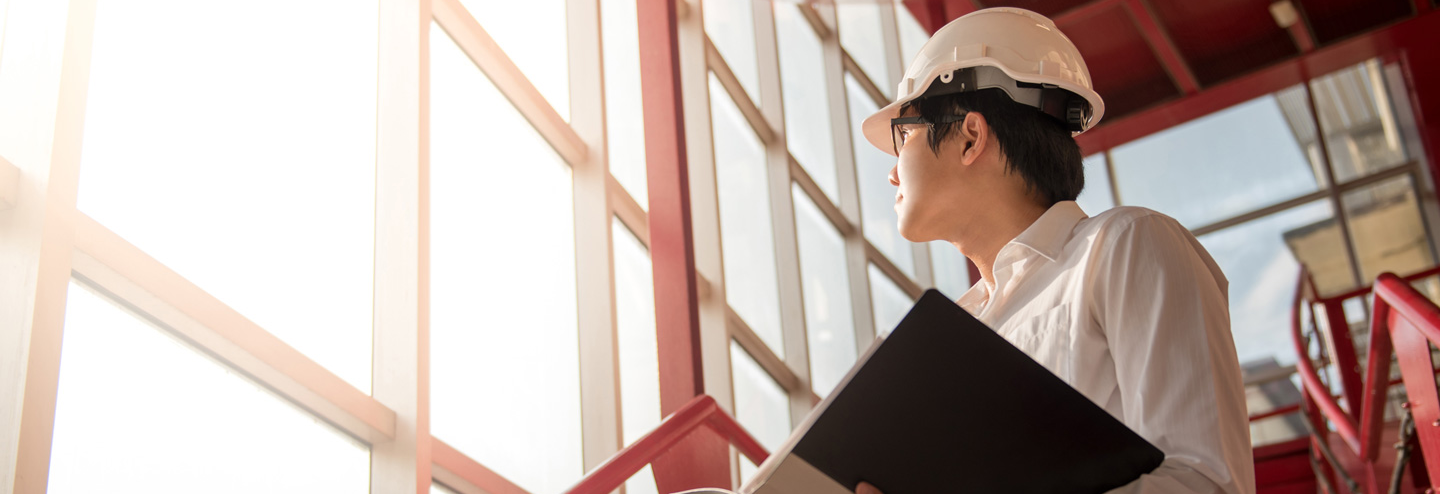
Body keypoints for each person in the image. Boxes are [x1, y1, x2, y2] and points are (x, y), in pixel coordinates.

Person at [853, 7, 1254, 494]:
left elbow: (1206, 481)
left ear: (970, 136)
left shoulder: (1124, 247)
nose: (893, 171)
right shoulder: (953, 336)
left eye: (906, 135)